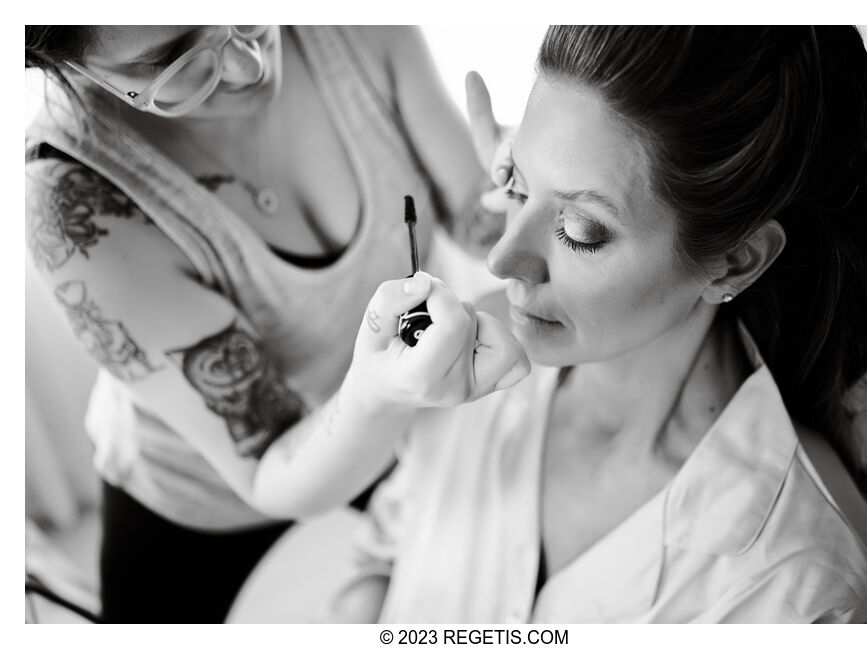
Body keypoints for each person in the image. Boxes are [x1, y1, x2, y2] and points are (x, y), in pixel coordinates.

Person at [323, 25, 867, 623]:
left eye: (581, 230)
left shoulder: (807, 591)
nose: (501, 260)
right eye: (516, 185)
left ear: (733, 261)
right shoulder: (466, 362)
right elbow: (382, 562)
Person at [24, 25, 524, 622]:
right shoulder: (72, 204)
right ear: (74, 71)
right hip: (200, 504)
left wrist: (522, 197)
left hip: (383, 419)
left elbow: (475, 218)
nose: (248, 66)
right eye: (170, 61)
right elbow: (268, 466)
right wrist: (377, 399)